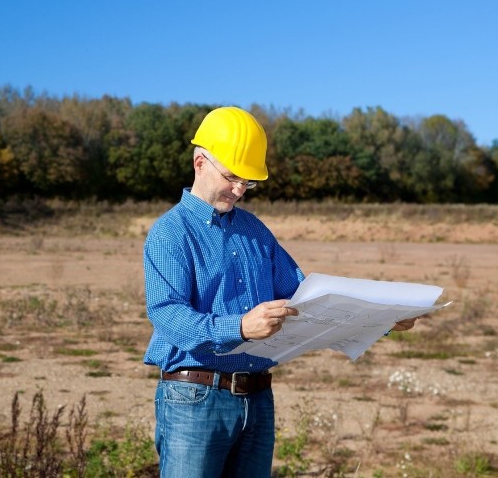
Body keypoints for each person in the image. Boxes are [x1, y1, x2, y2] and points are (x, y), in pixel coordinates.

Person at [143, 106, 417, 477]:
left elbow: (307, 300)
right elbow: (168, 316)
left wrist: (380, 319)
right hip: (194, 401)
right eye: (233, 177)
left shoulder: (256, 231)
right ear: (200, 162)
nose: (240, 189)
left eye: (249, 182)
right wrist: (240, 328)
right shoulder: (170, 233)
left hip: (258, 399)